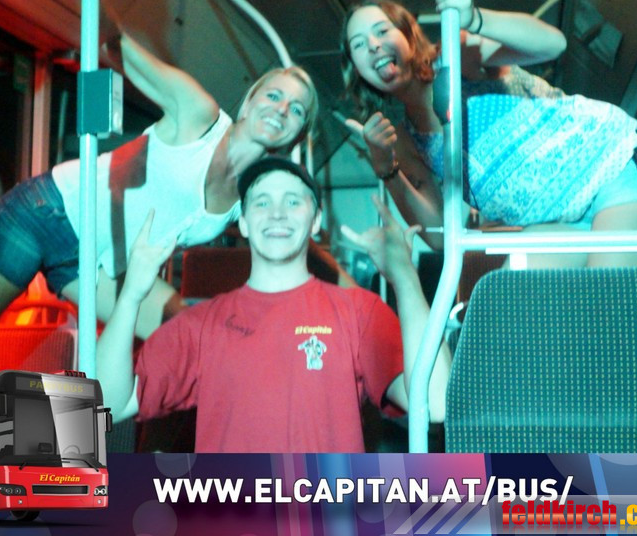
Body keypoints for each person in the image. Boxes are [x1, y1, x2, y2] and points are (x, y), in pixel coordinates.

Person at [0, 0, 320, 375]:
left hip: (95, 265)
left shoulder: (251, 196)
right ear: (250, 100)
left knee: (188, 332)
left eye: (296, 109)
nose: (282, 109)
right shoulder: (199, 114)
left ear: (298, 133)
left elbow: (290, 246)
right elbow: (114, 45)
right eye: (273, 95)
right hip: (47, 213)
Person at [97, 157, 452, 452]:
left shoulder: (358, 311)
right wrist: (131, 295)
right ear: (244, 222)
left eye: (293, 201)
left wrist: (404, 277)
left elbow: (435, 402)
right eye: (262, 202)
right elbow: (108, 405)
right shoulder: (202, 324)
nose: (277, 213)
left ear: (315, 221)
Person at [341, 0, 637, 267]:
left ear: (408, 34)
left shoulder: (455, 55)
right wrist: (385, 168)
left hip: (609, 166)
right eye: (359, 44)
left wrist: (474, 18)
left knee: (609, 295)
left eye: (382, 31)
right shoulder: (406, 141)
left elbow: (553, 44)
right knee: (509, 302)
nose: (373, 45)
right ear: (355, 68)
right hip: (558, 220)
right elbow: (439, 234)